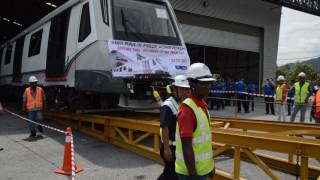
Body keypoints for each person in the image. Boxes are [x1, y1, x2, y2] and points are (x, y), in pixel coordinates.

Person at [175, 63, 215, 180]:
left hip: (202, 170)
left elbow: (204, 143)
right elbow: (186, 146)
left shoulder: (202, 106)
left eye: (209, 83)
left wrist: (210, 166)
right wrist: (192, 174)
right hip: (191, 173)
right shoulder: (187, 110)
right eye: (204, 83)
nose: (208, 86)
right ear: (192, 83)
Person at [158, 75, 190, 180]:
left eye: (186, 89)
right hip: (170, 147)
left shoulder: (182, 103)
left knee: (172, 174)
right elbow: (165, 127)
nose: (185, 92)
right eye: (182, 89)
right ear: (174, 89)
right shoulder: (168, 105)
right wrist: (167, 149)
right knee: (170, 174)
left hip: (178, 147)